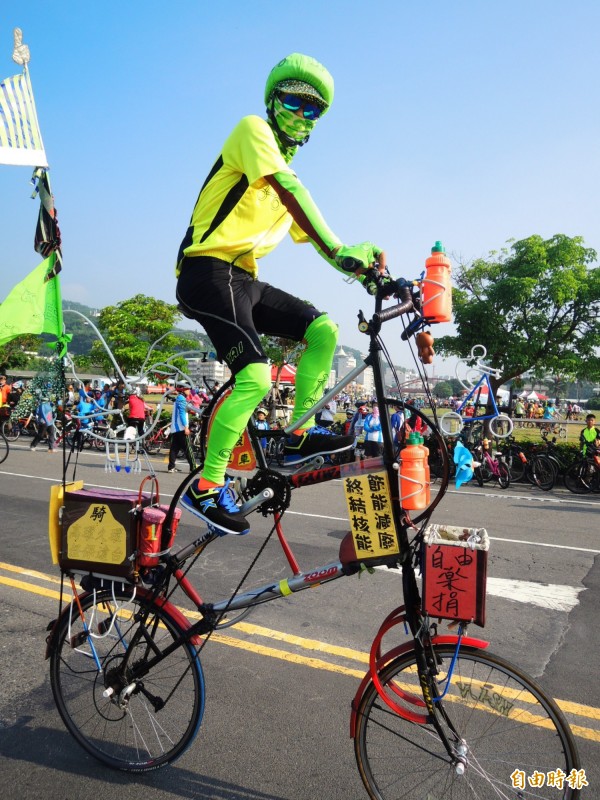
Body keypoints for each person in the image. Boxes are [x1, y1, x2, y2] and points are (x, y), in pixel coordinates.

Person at [175, 53, 383, 535]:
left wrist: (365, 266)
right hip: (206, 272)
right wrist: (341, 248)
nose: (301, 113)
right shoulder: (253, 133)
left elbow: (311, 234)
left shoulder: (285, 179)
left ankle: (298, 434)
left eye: (313, 109)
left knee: (324, 330)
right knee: (256, 377)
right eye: (293, 100)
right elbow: (294, 195)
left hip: (243, 280)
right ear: (272, 102)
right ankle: (207, 488)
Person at [167, 381, 196, 473]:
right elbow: (182, 414)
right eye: (188, 389)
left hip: (175, 429)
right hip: (182, 428)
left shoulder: (178, 399)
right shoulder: (182, 399)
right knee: (188, 449)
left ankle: (171, 467)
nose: (189, 391)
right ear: (183, 389)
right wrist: (186, 427)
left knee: (174, 449)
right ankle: (193, 469)